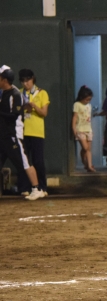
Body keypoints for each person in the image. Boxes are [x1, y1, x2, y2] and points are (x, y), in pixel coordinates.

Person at [0, 65, 44, 201]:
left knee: (25, 163)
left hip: (13, 135)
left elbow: (14, 115)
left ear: (4, 80)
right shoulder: (3, 93)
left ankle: (36, 189)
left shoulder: (15, 94)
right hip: (3, 136)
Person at [16, 69, 50, 196]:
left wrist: (34, 106)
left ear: (33, 79)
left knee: (38, 161)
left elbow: (44, 113)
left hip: (36, 132)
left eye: (28, 80)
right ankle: (24, 188)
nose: (26, 84)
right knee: (23, 161)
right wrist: (23, 108)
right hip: (22, 132)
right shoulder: (18, 93)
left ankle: (42, 187)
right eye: (23, 81)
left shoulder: (42, 93)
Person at [73, 85, 96, 173]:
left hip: (88, 129)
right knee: (85, 147)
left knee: (88, 149)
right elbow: (75, 117)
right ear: (81, 97)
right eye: (86, 99)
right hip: (80, 129)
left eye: (89, 99)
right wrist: (74, 128)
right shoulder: (77, 104)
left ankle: (89, 165)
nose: (88, 101)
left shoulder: (89, 105)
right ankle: (84, 161)